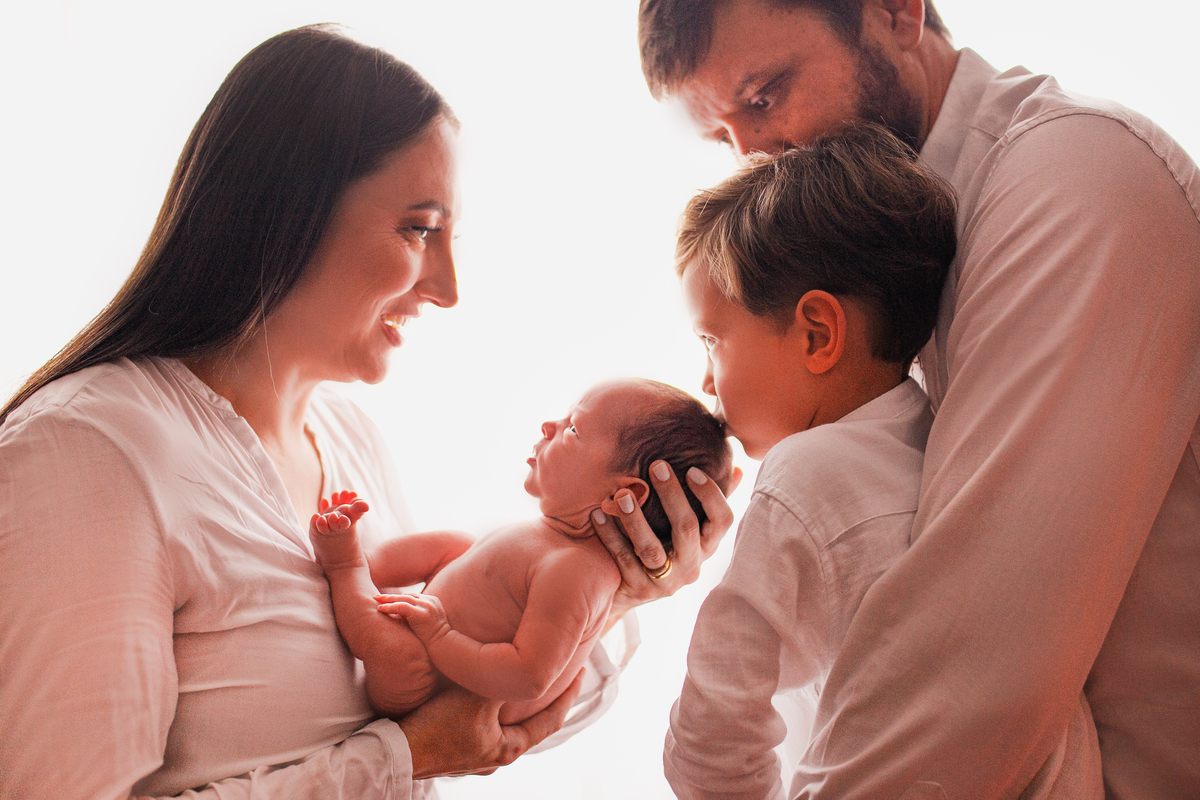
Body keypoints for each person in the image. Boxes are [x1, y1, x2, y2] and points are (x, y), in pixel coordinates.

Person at [0, 25, 734, 800]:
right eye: (420, 229)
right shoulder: (89, 452)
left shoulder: (348, 440)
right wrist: (398, 760)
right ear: (286, 210)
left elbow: (480, 718)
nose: (449, 287)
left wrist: (619, 584)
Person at [638, 0, 1200, 798]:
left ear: (897, 10)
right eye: (722, 135)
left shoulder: (1072, 174)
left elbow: (978, 668)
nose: (752, 156)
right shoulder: (873, 259)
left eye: (764, 97)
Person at [664, 123, 1103, 799]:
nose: (705, 381)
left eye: (712, 343)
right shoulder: (951, 441)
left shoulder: (802, 477)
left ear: (817, 333)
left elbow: (714, 723)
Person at [309, 378, 732, 724]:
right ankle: (370, 565)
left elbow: (527, 678)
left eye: (573, 429)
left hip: (425, 688)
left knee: (399, 655)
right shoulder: (555, 539)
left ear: (623, 495)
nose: (549, 426)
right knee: (458, 545)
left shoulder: (576, 571)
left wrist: (440, 637)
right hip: (437, 633)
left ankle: (346, 567)